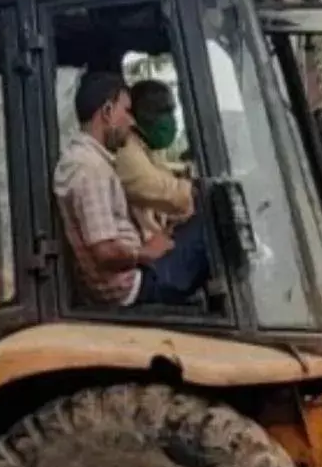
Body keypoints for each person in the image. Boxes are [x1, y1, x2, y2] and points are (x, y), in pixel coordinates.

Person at [54, 72, 207, 306]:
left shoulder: (91, 160)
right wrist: (147, 252)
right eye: (126, 111)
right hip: (133, 287)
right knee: (211, 217)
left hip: (133, 274)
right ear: (107, 112)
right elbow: (104, 252)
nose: (132, 121)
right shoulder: (89, 169)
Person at [116, 80, 196, 240]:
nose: (170, 120)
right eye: (162, 112)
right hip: (144, 253)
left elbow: (164, 176)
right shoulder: (124, 151)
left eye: (171, 111)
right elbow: (167, 193)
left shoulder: (145, 148)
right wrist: (195, 190)